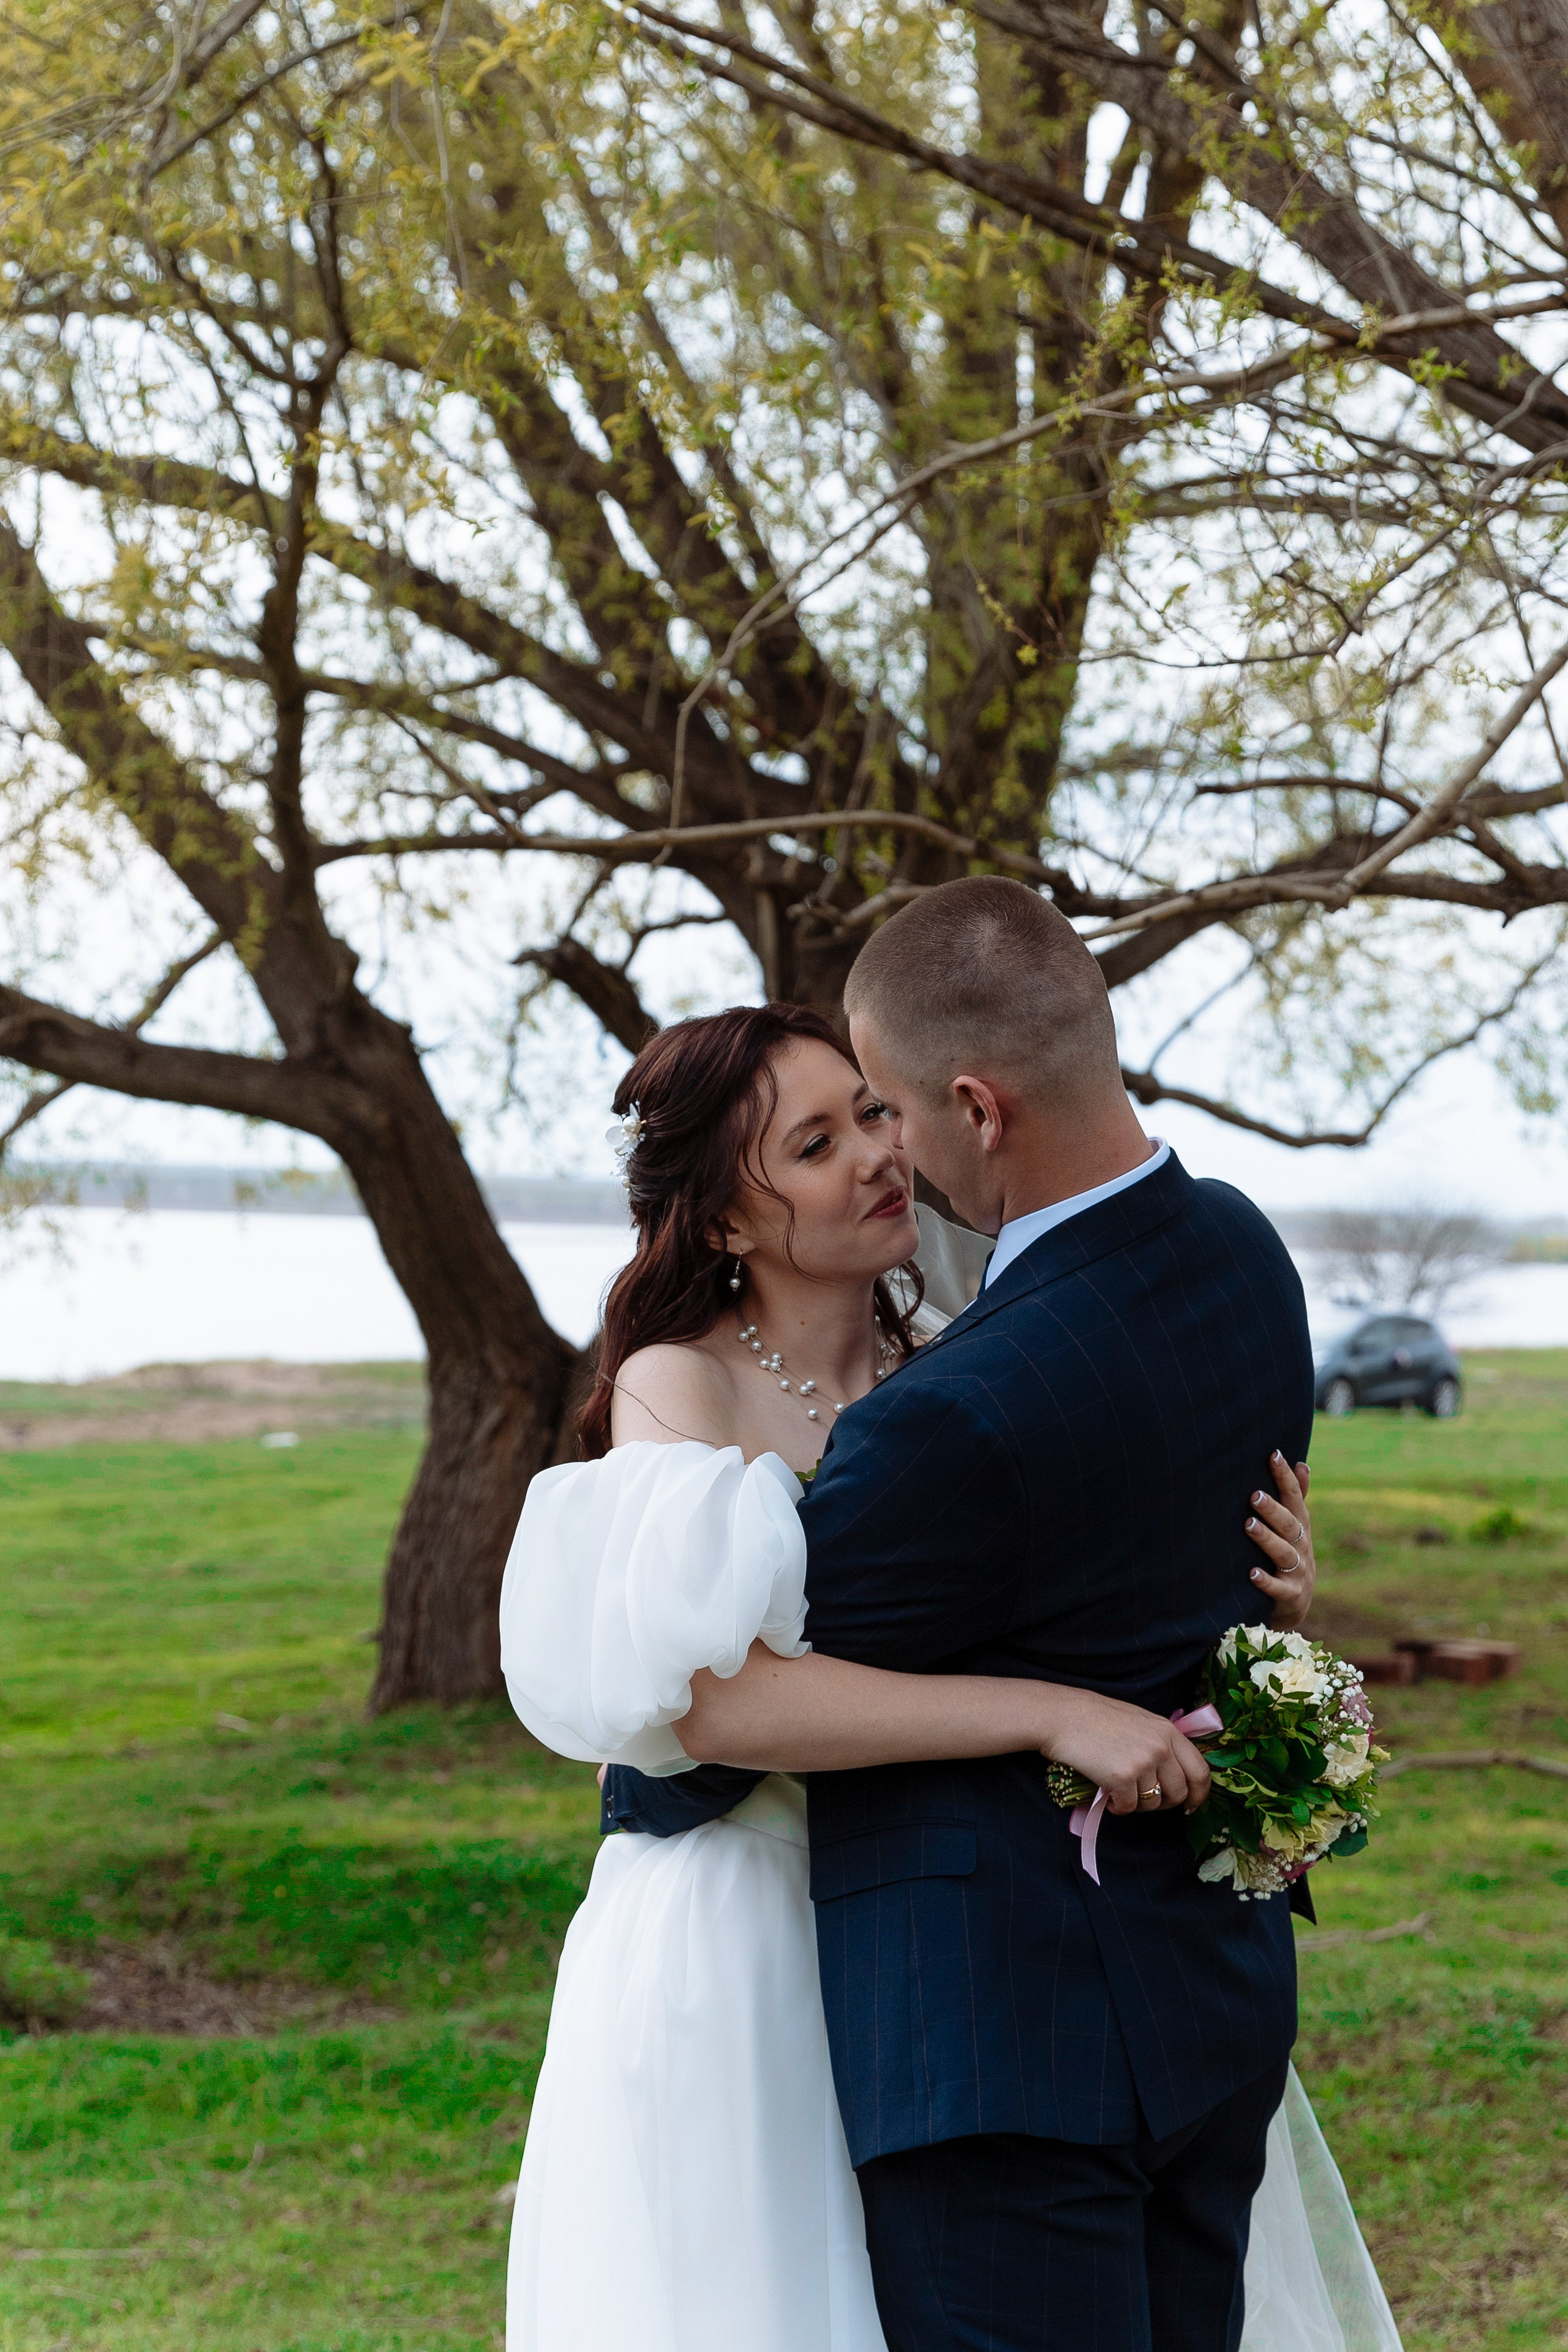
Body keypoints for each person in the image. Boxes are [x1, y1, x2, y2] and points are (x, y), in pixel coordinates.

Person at [499, 939, 1400, 2352]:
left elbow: (1091, 1579)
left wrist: (1256, 1613)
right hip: (749, 1913)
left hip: (956, 1918)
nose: (874, 1154)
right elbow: (706, 1704)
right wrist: (1043, 1711)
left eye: (870, 1110)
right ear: (727, 1220)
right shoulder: (677, 1388)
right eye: (814, 1142)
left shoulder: (957, 1363)